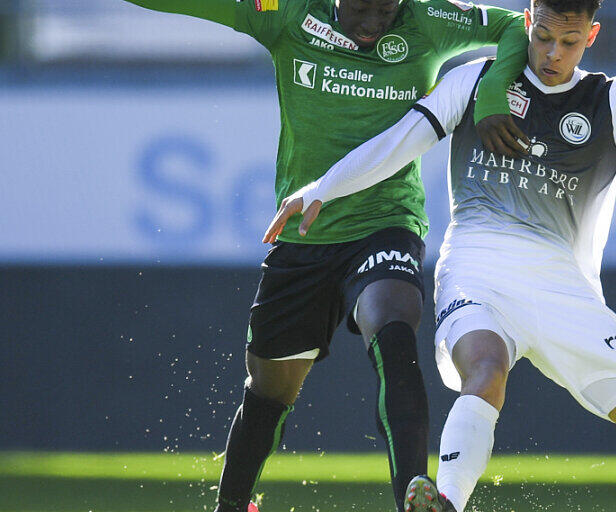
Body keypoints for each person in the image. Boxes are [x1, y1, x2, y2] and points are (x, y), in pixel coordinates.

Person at [264, 0, 616, 510]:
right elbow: (399, 142)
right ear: (527, 21)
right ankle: (445, 503)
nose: (552, 53)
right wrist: (321, 188)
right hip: (477, 264)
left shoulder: (609, 102)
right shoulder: (478, 81)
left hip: (562, 286)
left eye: (569, 42)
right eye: (543, 36)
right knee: (486, 370)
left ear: (591, 36)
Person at [122, 1, 535, 511]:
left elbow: (516, 26)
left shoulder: (430, 18)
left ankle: (414, 494)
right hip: (304, 236)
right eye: (362, 8)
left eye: (387, 10)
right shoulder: (285, 13)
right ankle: (231, 505)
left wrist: (493, 94)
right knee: (269, 391)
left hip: (385, 223)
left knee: (395, 333)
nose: (373, 25)